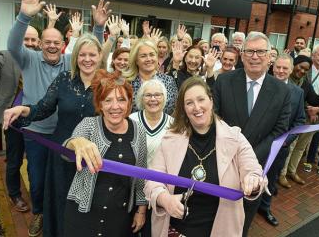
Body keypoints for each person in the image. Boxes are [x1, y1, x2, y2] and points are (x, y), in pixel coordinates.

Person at [6, 0, 108, 236]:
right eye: (47, 42)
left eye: (57, 43)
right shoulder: (49, 70)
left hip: (92, 149)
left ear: (64, 46)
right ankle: (43, 216)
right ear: (41, 44)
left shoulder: (95, 78)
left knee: (89, 198)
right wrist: (24, 15)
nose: (52, 46)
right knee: (44, 185)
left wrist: (98, 27)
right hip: (50, 142)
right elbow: (41, 108)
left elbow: (92, 50)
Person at [144, 77, 268, 237]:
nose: (197, 107)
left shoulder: (235, 138)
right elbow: (152, 181)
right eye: (189, 103)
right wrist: (164, 199)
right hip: (175, 231)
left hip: (220, 231)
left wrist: (253, 180)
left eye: (201, 99)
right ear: (184, 108)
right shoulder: (170, 139)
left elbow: (253, 170)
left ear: (211, 101)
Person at [213, 31, 291, 236]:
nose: (255, 56)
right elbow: (215, 119)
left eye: (260, 51)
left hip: (257, 166)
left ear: (269, 57)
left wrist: (250, 157)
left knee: (243, 219)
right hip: (223, 162)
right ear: (242, 54)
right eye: (250, 51)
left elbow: (280, 130)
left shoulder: (282, 90)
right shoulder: (224, 81)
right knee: (216, 215)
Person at [61, 70, 148, 237]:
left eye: (121, 100)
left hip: (119, 219)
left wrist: (141, 211)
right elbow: (66, 152)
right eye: (108, 100)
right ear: (99, 104)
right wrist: (76, 142)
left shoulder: (139, 132)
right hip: (82, 214)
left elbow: (141, 177)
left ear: (129, 102)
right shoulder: (89, 125)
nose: (115, 106)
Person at [0, 15, 40, 213]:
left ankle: (37, 192)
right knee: (14, 159)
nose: (29, 43)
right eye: (26, 39)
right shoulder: (6, 56)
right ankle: (14, 193)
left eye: (33, 40)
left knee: (35, 159)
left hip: (37, 119)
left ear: (38, 43)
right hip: (13, 121)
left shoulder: (41, 60)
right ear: (19, 39)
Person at [258, 54, 306, 227]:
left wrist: (287, 140)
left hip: (280, 147)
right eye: (278, 67)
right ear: (273, 67)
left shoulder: (298, 93)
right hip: (257, 145)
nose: (280, 71)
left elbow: (300, 120)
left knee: (271, 180)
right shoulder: (260, 85)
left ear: (291, 70)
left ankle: (265, 207)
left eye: (285, 68)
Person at [279, 54, 319, 187]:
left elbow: (315, 100)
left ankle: (291, 171)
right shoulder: (285, 79)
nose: (302, 71)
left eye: (306, 69)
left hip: (300, 120)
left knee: (300, 147)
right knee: (290, 146)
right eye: (300, 67)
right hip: (286, 122)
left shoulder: (305, 84)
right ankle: (281, 174)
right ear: (293, 65)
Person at [129, 79, 173, 237]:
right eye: (148, 95)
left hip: (159, 190)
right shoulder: (131, 121)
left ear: (164, 98)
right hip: (131, 189)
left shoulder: (173, 125)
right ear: (141, 98)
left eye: (157, 95)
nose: (153, 99)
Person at [123, 40, 178, 114]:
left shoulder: (169, 81)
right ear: (136, 60)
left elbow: (174, 110)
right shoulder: (126, 83)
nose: (148, 59)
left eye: (152, 55)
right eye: (143, 56)